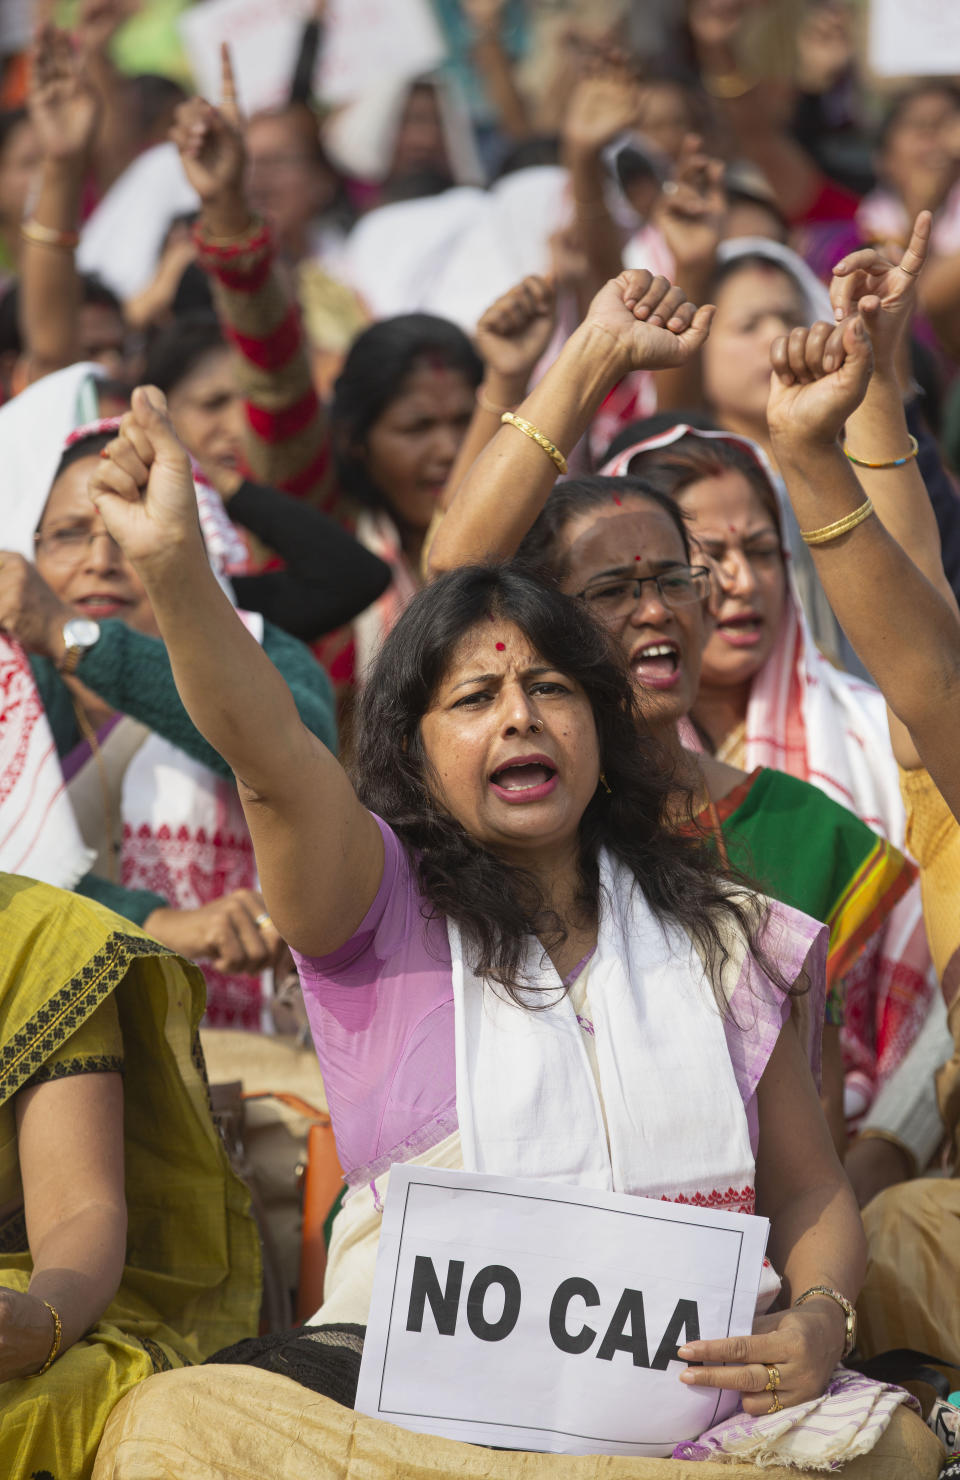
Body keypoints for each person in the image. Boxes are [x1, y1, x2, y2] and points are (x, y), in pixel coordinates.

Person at [83, 377, 930, 1474]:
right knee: (172, 1428)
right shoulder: (374, 908)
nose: (520, 714)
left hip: (694, 1412)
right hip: (414, 1417)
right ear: (416, 749)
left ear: (601, 722)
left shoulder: (726, 932)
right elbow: (272, 762)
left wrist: (818, 1316)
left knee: (899, 1445)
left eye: (550, 689)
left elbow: (810, 1187)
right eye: (475, 701)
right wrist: (173, 573)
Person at [429, 268, 920, 1163]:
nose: (657, 612)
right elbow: (453, 570)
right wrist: (594, 354)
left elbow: (833, 1111)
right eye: (614, 590)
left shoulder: (804, 830)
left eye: (673, 581)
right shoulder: (525, 822)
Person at [0, 363, 338, 1028]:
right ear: (28, 552)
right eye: (69, 534)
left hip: (257, 1051)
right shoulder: (13, 688)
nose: (100, 559)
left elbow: (302, 756)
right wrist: (154, 922)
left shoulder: (262, 652)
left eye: (124, 533)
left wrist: (80, 641)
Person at [0, 871, 259, 1480]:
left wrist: (43, 1323)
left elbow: (78, 1208)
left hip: (36, 1306)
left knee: (74, 1406)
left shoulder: (44, 943)